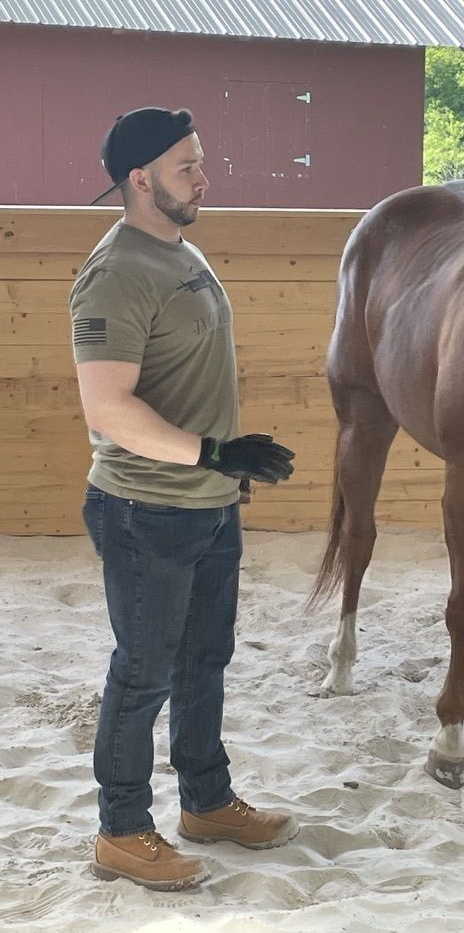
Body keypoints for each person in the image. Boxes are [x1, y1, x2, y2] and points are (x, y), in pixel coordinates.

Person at [70, 107, 298, 891]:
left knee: (205, 659)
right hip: (146, 510)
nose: (205, 177)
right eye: (186, 167)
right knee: (145, 672)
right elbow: (107, 409)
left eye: (201, 162)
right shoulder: (115, 273)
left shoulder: (179, 251)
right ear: (140, 179)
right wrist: (211, 452)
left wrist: (221, 468)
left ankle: (204, 802)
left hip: (208, 501)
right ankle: (122, 832)